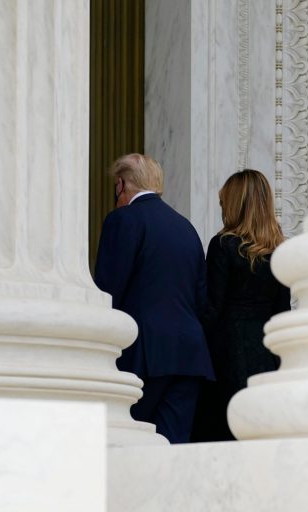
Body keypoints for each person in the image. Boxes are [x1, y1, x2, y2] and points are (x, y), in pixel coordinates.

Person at [94, 153, 214, 444]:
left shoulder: (123, 219)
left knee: (128, 443)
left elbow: (108, 291)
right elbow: (200, 298)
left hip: (143, 355)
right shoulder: (186, 227)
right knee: (172, 447)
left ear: (121, 184)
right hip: (188, 355)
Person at [191, 169, 291, 442]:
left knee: (223, 434)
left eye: (224, 202)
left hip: (227, 355)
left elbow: (212, 309)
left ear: (234, 204)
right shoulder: (280, 252)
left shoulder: (223, 245)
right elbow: (283, 314)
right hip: (267, 355)